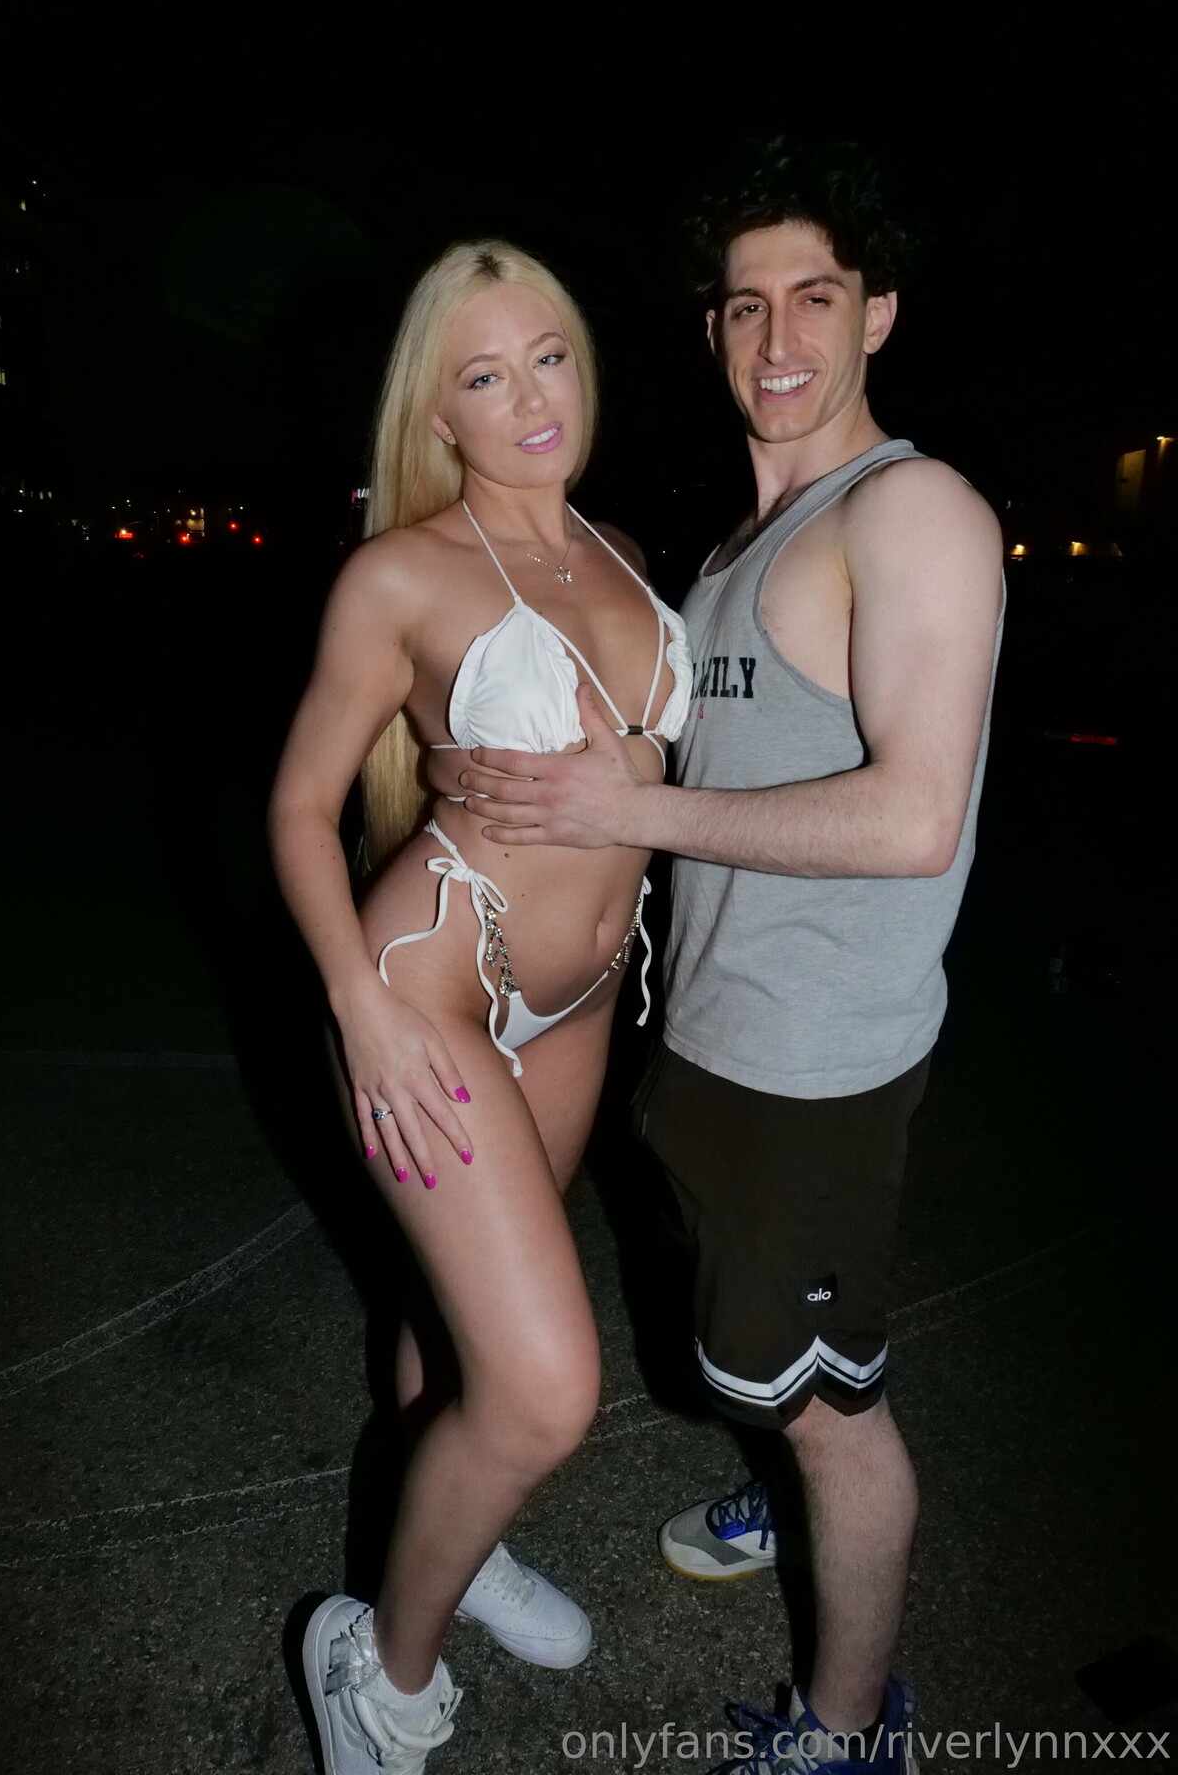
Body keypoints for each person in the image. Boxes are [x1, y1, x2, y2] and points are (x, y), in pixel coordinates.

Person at [447, 142, 1005, 1774]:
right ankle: (784, 1465)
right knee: (762, 1356)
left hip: (812, 1074)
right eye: (746, 304)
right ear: (711, 331)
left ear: (877, 314)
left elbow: (914, 817)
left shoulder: (912, 512)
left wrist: (629, 807)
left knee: (839, 1418)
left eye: (815, 297)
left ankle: (848, 1727)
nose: (779, 338)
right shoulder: (734, 552)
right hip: (716, 1044)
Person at [269, 238, 692, 1772]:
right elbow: (299, 808)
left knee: (457, 1331)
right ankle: (376, 1669)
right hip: (430, 984)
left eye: (549, 357)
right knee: (545, 1389)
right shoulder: (400, 574)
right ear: (438, 414)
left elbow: (647, 775)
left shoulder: (623, 550)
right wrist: (359, 1009)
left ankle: (460, 1541)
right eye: (486, 375)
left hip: (575, 1001)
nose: (531, 399)